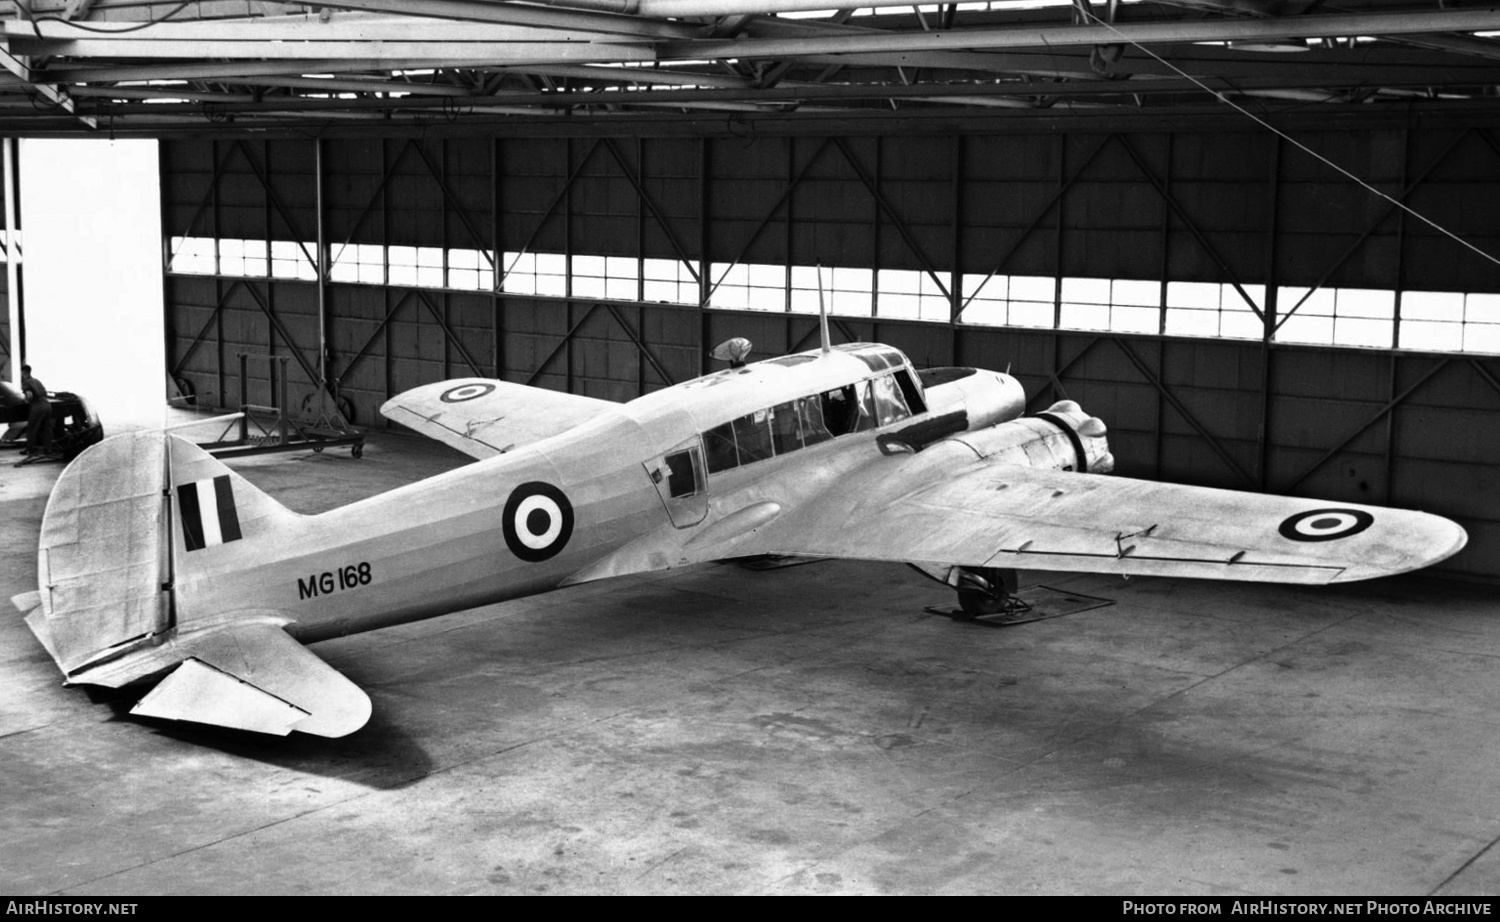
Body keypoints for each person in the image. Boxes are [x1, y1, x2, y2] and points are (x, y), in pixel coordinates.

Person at [20, 363, 51, 455]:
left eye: (22, 373)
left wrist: (26, 401)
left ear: (24, 372)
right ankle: (47, 450)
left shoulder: (26, 382)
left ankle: (30, 450)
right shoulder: (37, 381)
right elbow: (45, 393)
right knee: (47, 429)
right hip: (47, 406)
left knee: (32, 429)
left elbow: (29, 395)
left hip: (37, 406)